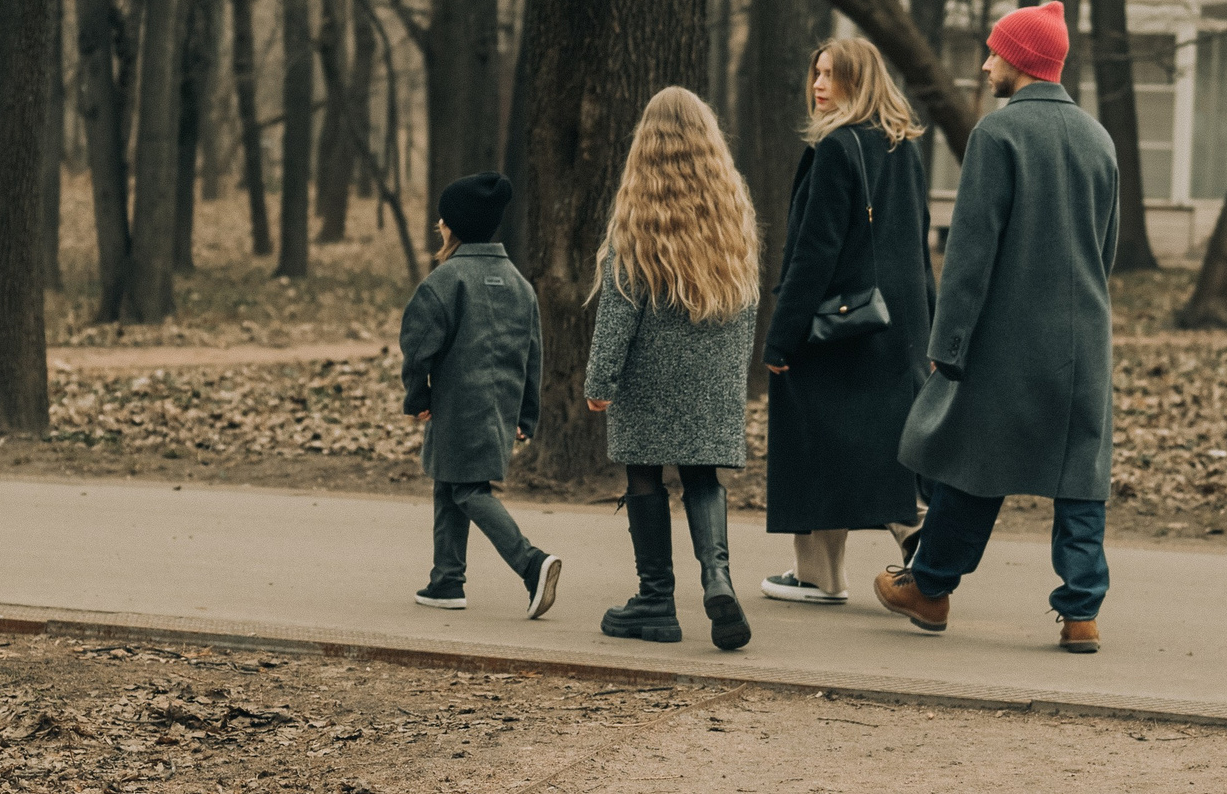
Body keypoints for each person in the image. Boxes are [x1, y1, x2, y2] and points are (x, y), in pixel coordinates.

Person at [879, 0, 1118, 652]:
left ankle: (929, 588)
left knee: (972, 461)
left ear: (1021, 60)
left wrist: (947, 343)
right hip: (1085, 342)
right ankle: (1081, 614)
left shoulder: (998, 134)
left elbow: (969, 255)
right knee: (1080, 476)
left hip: (1006, 337)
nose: (986, 65)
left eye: (994, 52)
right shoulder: (1100, 139)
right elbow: (1108, 247)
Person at [583, 88, 760, 652]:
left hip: (649, 376)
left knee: (644, 475)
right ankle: (718, 580)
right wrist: (732, 378)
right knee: (703, 476)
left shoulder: (638, 223)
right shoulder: (732, 217)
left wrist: (600, 381)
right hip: (711, 375)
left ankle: (656, 601)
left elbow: (618, 311)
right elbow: (748, 307)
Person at [761, 36, 936, 604]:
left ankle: (827, 572)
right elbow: (917, 242)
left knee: (814, 437)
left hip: (838, 328)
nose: (817, 85)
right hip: (896, 327)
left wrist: (781, 338)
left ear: (857, 82)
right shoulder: (902, 147)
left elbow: (814, 252)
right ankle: (907, 543)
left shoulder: (838, 147)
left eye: (830, 75)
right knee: (873, 441)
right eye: (815, 73)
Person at [400, 172, 563, 618]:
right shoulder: (520, 285)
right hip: (499, 407)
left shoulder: (445, 282)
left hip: (455, 405)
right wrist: (526, 415)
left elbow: (417, 351)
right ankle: (446, 580)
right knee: (448, 481)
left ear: (453, 225)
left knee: (468, 489)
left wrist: (417, 398)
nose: (440, 225)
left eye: (443, 220)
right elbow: (535, 356)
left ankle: (531, 563)